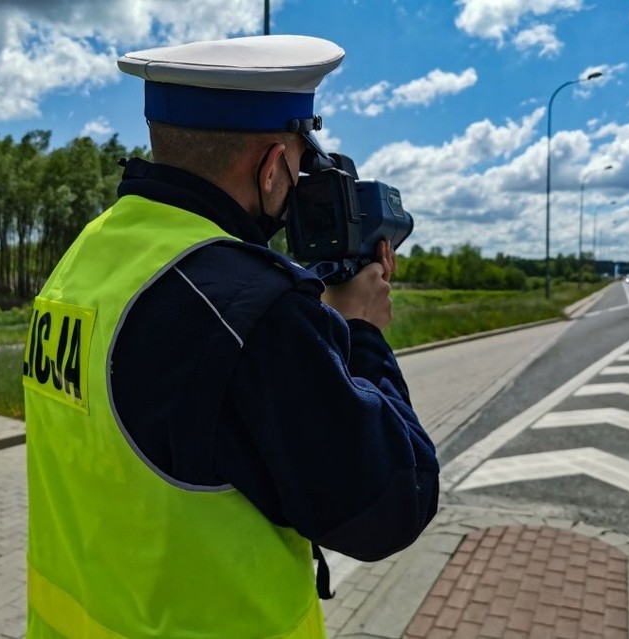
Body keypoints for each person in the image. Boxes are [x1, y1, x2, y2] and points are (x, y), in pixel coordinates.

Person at [22, 34, 439, 639]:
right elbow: (391, 505)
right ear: (272, 167)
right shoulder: (251, 311)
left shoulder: (83, 261)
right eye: (298, 164)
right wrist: (362, 331)